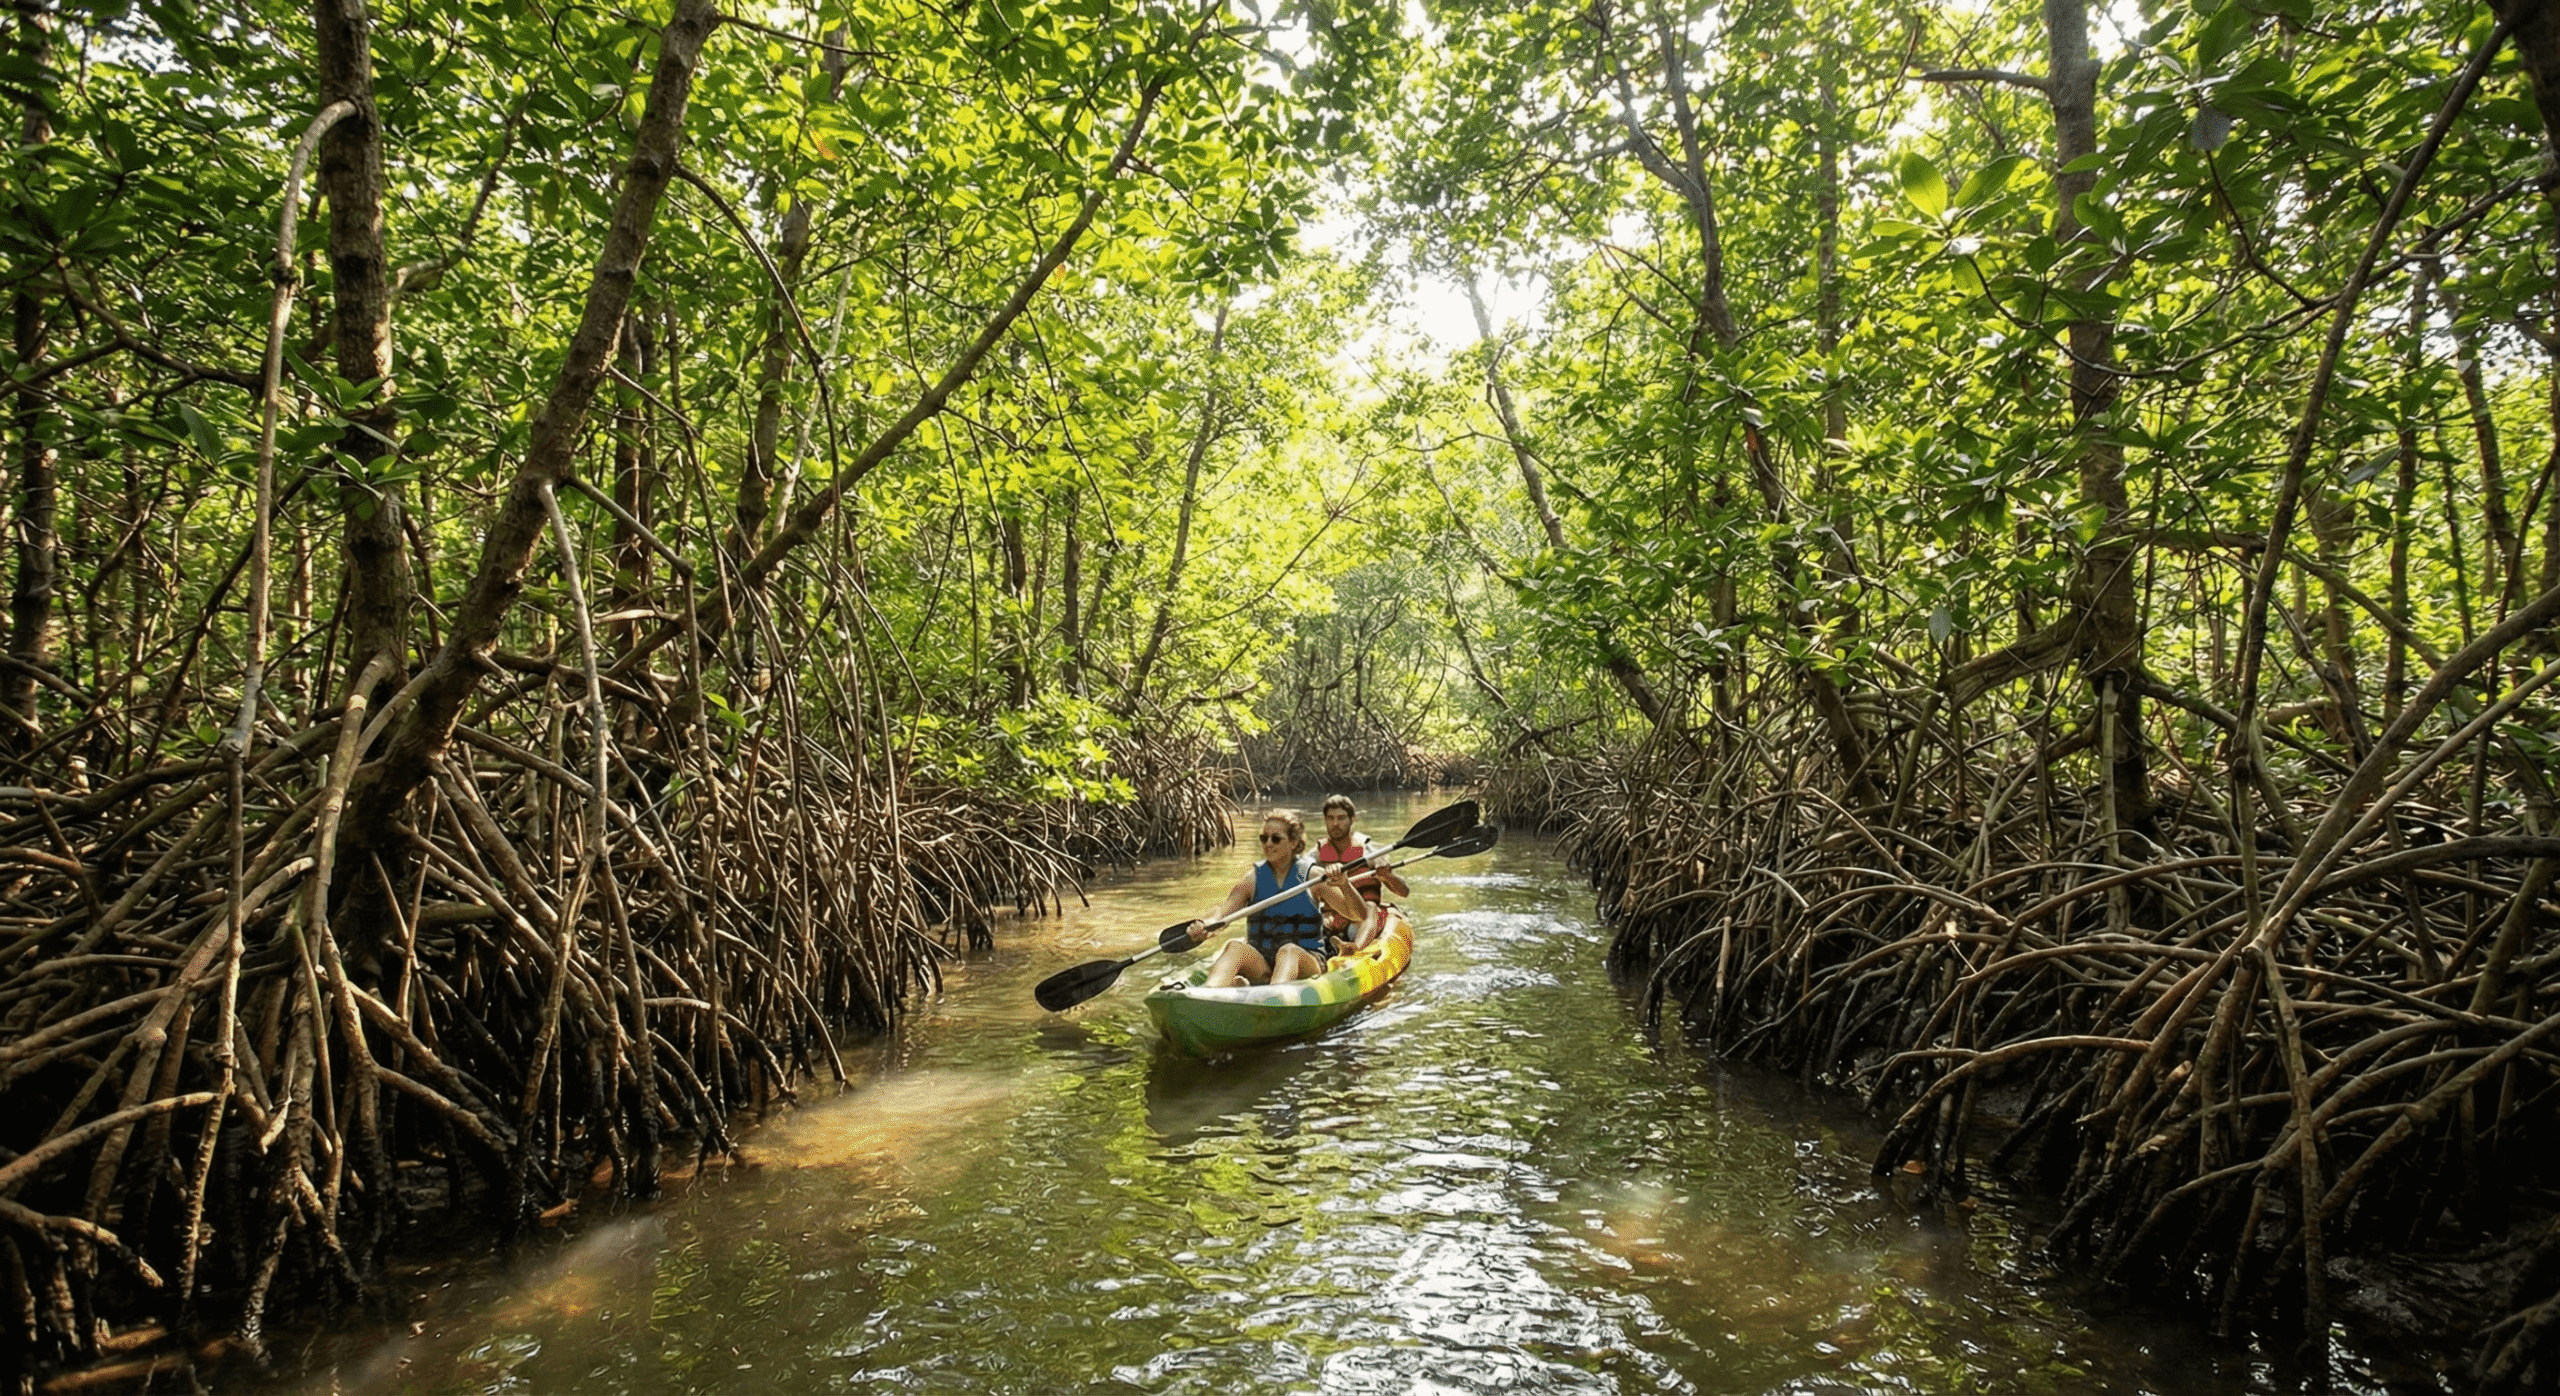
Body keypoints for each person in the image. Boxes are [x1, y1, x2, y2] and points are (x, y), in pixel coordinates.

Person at [1183, 809, 1368, 988]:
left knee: (1288, 951)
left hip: (1305, 959)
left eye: (1276, 839)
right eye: (1264, 838)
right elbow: (1222, 915)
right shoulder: (1252, 879)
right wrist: (1205, 925)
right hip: (1264, 962)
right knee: (1234, 947)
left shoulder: (1313, 877)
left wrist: (1344, 884)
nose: (1268, 844)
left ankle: (1273, 996)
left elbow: (1359, 915)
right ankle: (1209, 992)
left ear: (1294, 842)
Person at [1313, 794, 1405, 953]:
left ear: (1352, 819)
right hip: (1333, 917)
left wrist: (1388, 876)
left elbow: (1404, 891)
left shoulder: (1372, 852)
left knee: (1369, 906)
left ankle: (1355, 949)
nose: (1335, 824)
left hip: (1364, 920)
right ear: (1325, 820)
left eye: (1341, 818)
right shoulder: (1315, 855)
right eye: (1331, 818)